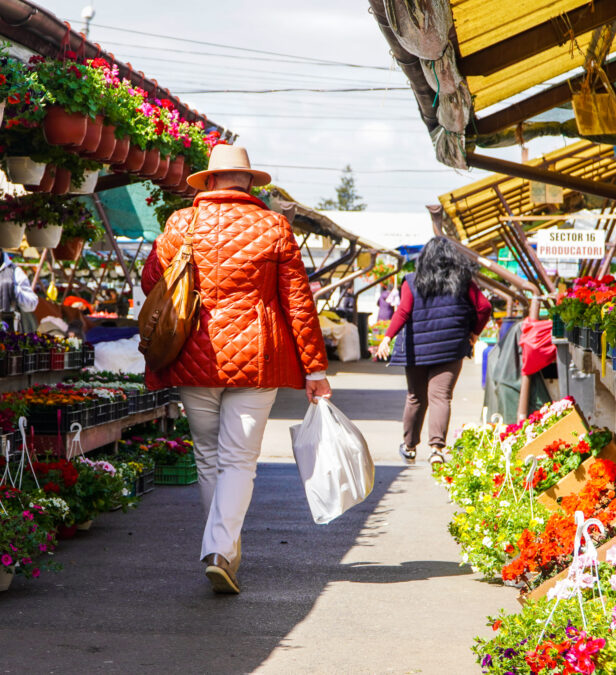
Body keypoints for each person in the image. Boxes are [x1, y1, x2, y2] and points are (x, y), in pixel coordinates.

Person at [141, 144, 330, 595]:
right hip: (256, 360)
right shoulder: (274, 227)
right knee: (239, 460)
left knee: (209, 458)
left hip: (192, 356)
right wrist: (315, 368)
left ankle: (221, 545)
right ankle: (221, 549)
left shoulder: (181, 224)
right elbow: (298, 302)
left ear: (208, 181)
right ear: (247, 181)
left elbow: (152, 281)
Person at [375, 237, 492, 465]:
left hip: (417, 349)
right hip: (451, 346)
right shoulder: (463, 281)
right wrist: (474, 332)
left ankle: (409, 447)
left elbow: (403, 311)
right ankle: (437, 449)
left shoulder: (411, 281)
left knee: (415, 397)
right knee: (441, 397)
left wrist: (387, 338)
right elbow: (484, 307)